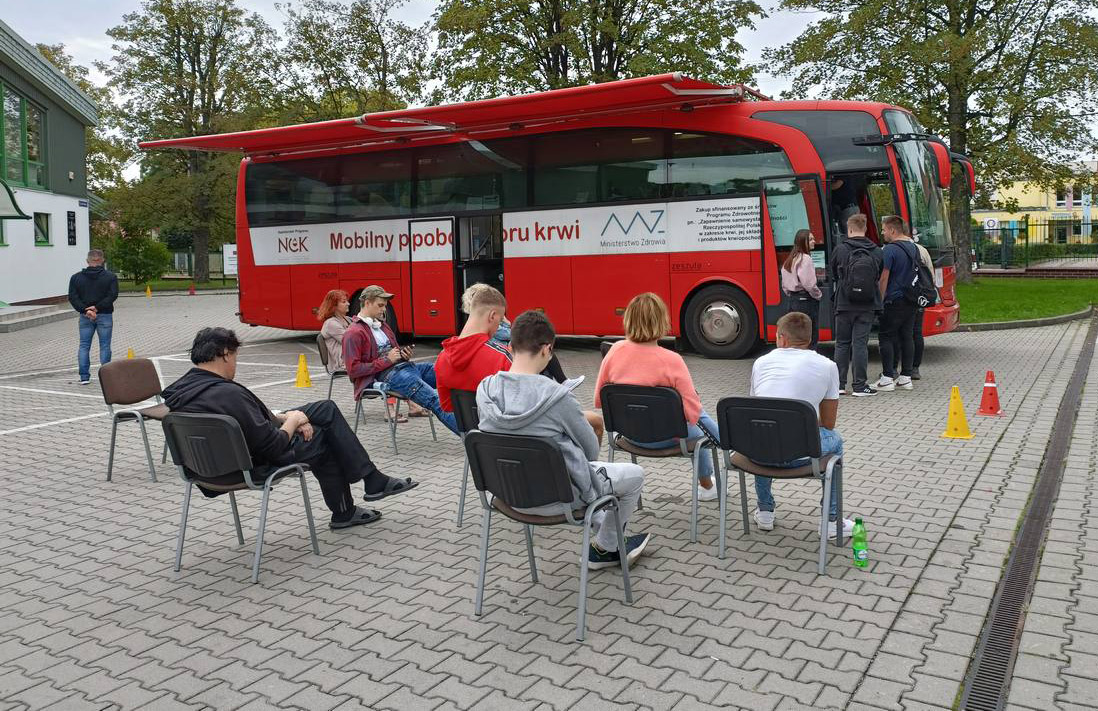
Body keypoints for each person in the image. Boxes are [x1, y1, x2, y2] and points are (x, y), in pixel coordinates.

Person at [162, 327, 418, 529]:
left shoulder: (182, 390)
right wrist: (294, 422)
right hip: (253, 463)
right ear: (226, 353)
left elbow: (248, 420)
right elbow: (272, 445)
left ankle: (371, 480)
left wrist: (286, 416)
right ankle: (347, 509)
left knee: (325, 409)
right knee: (324, 436)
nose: (235, 364)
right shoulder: (227, 393)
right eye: (236, 357)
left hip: (209, 468)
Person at [476, 310, 651, 569]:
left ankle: (606, 534)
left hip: (506, 495)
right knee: (634, 475)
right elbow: (590, 452)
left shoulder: (485, 389)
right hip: (560, 499)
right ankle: (606, 547)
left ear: (511, 347)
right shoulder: (557, 397)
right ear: (548, 349)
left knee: (589, 477)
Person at [436, 284, 604, 440]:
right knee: (594, 422)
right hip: (521, 438)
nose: (499, 326)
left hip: (480, 445)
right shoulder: (502, 357)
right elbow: (533, 404)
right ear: (492, 316)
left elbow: (448, 406)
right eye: (500, 320)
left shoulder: (442, 359)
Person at [594, 292, 719, 501]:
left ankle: (726, 446)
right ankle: (711, 478)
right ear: (662, 321)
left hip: (628, 435)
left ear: (629, 319)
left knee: (697, 417)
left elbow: (600, 399)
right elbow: (693, 413)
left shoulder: (614, 351)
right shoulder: (672, 360)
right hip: (667, 437)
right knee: (699, 424)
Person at [748, 312, 853, 538]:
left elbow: (758, 412)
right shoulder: (828, 366)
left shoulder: (761, 362)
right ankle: (831, 521)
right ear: (808, 338)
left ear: (782, 339)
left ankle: (765, 510)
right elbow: (828, 423)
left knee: (764, 431)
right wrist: (801, 420)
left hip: (758, 454)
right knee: (836, 442)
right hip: (801, 452)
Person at [342, 285, 459, 434]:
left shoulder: (382, 326)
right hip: (386, 377)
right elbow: (353, 370)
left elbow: (394, 354)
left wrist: (403, 355)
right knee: (435, 400)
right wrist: (387, 361)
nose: (383, 310)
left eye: (384, 306)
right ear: (367, 303)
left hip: (404, 369)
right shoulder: (353, 332)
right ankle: (472, 438)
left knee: (450, 374)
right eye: (380, 305)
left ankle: (481, 422)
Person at [829, 213, 883, 397]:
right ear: (865, 228)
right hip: (867, 304)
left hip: (844, 303)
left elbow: (834, 273)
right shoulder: (876, 250)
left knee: (842, 344)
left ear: (849, 228)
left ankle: (839, 385)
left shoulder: (840, 249)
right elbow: (878, 275)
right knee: (860, 344)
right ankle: (860, 386)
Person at [876, 215, 919, 392]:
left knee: (886, 336)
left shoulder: (889, 250)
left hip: (894, 299)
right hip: (911, 298)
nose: (882, 232)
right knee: (907, 336)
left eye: (884, 229)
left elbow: (884, 276)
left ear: (892, 230)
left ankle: (887, 378)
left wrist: (880, 298)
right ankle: (906, 377)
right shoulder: (913, 247)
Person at [68, 249, 118, 385]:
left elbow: (72, 297)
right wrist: (97, 308)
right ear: (102, 260)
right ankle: (106, 377)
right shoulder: (111, 277)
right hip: (105, 314)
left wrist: (86, 310)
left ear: (87, 261)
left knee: (84, 345)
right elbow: (112, 295)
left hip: (85, 316)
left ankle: (84, 377)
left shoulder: (76, 277)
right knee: (105, 346)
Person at [893, 223, 934, 380]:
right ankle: (913, 369)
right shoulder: (921, 250)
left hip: (899, 298)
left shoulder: (892, 249)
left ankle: (893, 369)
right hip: (918, 297)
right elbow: (929, 273)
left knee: (896, 334)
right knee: (915, 333)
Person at [780, 229, 823, 350]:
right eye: (810, 239)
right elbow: (809, 284)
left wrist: (792, 293)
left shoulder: (790, 258)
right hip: (806, 300)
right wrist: (818, 295)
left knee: (796, 336)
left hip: (793, 300)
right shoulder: (806, 258)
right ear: (802, 242)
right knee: (810, 335)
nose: (814, 241)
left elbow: (784, 285)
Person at [317, 289, 352, 371]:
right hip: (343, 362)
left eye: (347, 301)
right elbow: (350, 341)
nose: (348, 304)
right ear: (334, 306)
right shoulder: (331, 323)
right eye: (344, 302)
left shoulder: (348, 319)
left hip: (352, 358)